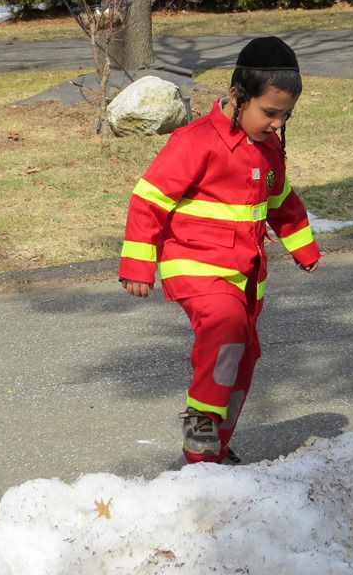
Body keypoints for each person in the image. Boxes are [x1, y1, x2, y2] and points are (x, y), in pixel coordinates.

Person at [119, 36, 321, 464]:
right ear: (237, 95)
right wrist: (138, 264)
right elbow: (149, 199)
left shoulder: (268, 148)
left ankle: (213, 453)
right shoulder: (194, 141)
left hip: (246, 276)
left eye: (286, 114)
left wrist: (303, 246)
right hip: (195, 265)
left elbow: (281, 200)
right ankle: (200, 431)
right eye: (270, 112)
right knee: (225, 329)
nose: (278, 124)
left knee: (241, 358)